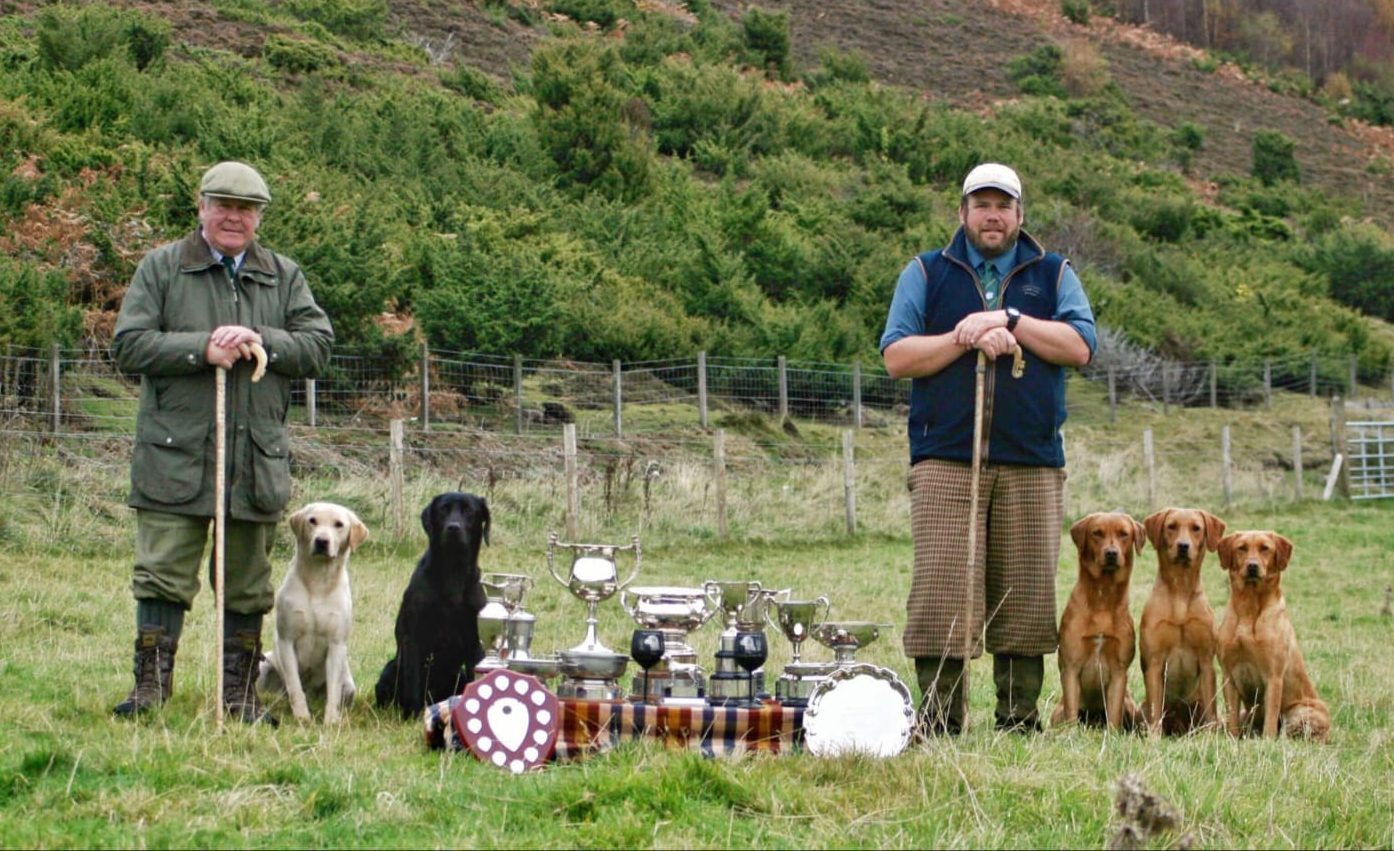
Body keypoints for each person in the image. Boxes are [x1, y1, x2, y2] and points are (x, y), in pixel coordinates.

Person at [110, 161, 334, 725]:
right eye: (223, 205)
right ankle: (149, 693)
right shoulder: (162, 268)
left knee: (247, 585)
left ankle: (239, 697)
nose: (234, 216)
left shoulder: (283, 276)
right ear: (202, 207)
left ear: (258, 217)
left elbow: (317, 347)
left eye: (246, 208)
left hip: (253, 463)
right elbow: (130, 345)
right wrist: (201, 349)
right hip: (175, 455)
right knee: (161, 574)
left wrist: (264, 340)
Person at [879, 162, 1097, 734]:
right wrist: (965, 334)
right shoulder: (925, 272)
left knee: (1025, 591)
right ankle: (940, 719)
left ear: (1020, 215)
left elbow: (1079, 346)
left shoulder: (1053, 275)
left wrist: (1010, 319)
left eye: (1003, 205)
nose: (992, 215)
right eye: (981, 204)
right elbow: (898, 356)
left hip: (1032, 461)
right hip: (944, 458)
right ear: (963, 213)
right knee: (943, 587)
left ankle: (1019, 719)